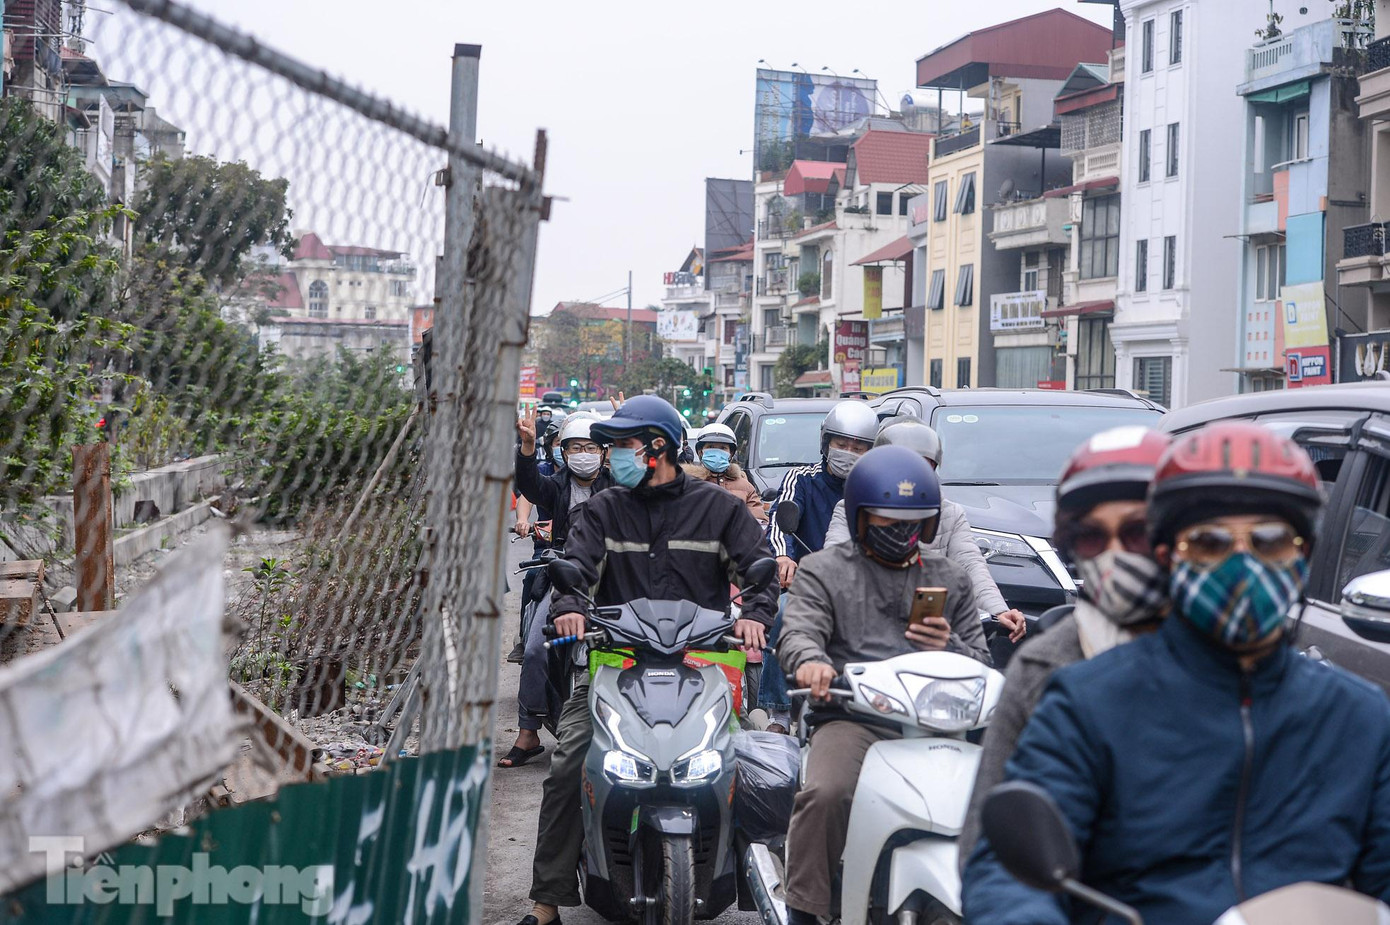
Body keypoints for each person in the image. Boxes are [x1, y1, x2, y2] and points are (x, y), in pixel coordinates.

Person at [962, 422, 1390, 924]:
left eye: (1269, 540)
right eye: (1209, 542)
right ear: (1169, 558)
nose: (1242, 564)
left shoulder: (1359, 719)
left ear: (1302, 555)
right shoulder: (1086, 703)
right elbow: (1007, 874)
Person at [519, 395, 777, 925]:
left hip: (706, 665)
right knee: (571, 760)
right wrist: (569, 609)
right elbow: (578, 569)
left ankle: (766, 884)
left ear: (656, 449)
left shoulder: (720, 509)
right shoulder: (604, 509)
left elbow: (759, 568)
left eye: (620, 447)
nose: (611, 456)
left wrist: (755, 614)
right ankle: (547, 899)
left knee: (758, 759)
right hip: (616, 666)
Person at [777, 445, 992, 925]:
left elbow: (981, 662)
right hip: (854, 718)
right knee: (826, 794)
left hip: (938, 726)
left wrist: (949, 643)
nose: (901, 531)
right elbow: (799, 632)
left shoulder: (949, 579)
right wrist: (813, 664)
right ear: (859, 518)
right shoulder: (824, 571)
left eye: (913, 522)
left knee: (1003, 796)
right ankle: (806, 909)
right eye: (887, 520)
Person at [956, 425, 1171, 867]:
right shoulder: (1045, 670)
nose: (1118, 554)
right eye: (1094, 536)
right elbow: (990, 849)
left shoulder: (1242, 663)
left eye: (1138, 533)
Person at [824, 417, 1027, 645]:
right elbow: (836, 562)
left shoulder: (950, 512)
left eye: (923, 464)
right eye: (904, 463)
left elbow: (971, 565)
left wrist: (998, 610)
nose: (913, 472)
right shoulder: (851, 508)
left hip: (933, 626)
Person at [760, 399, 879, 732]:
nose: (849, 451)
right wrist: (784, 557)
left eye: (858, 447)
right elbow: (779, 519)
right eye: (842, 444)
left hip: (866, 584)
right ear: (826, 443)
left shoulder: (876, 486)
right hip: (807, 584)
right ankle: (780, 711)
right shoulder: (802, 478)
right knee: (784, 612)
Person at [503, 412, 614, 768]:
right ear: (564, 453)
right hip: (563, 575)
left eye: (591, 447)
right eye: (576, 447)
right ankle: (529, 731)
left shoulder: (620, 486)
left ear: (604, 452)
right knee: (537, 649)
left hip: (613, 577)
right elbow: (530, 486)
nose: (584, 453)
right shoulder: (554, 484)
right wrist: (528, 447)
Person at [682, 422, 766, 524]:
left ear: (731, 454)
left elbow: (758, 523)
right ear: (700, 452)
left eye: (723, 448)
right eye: (711, 446)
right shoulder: (688, 484)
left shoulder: (746, 487)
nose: (717, 452)